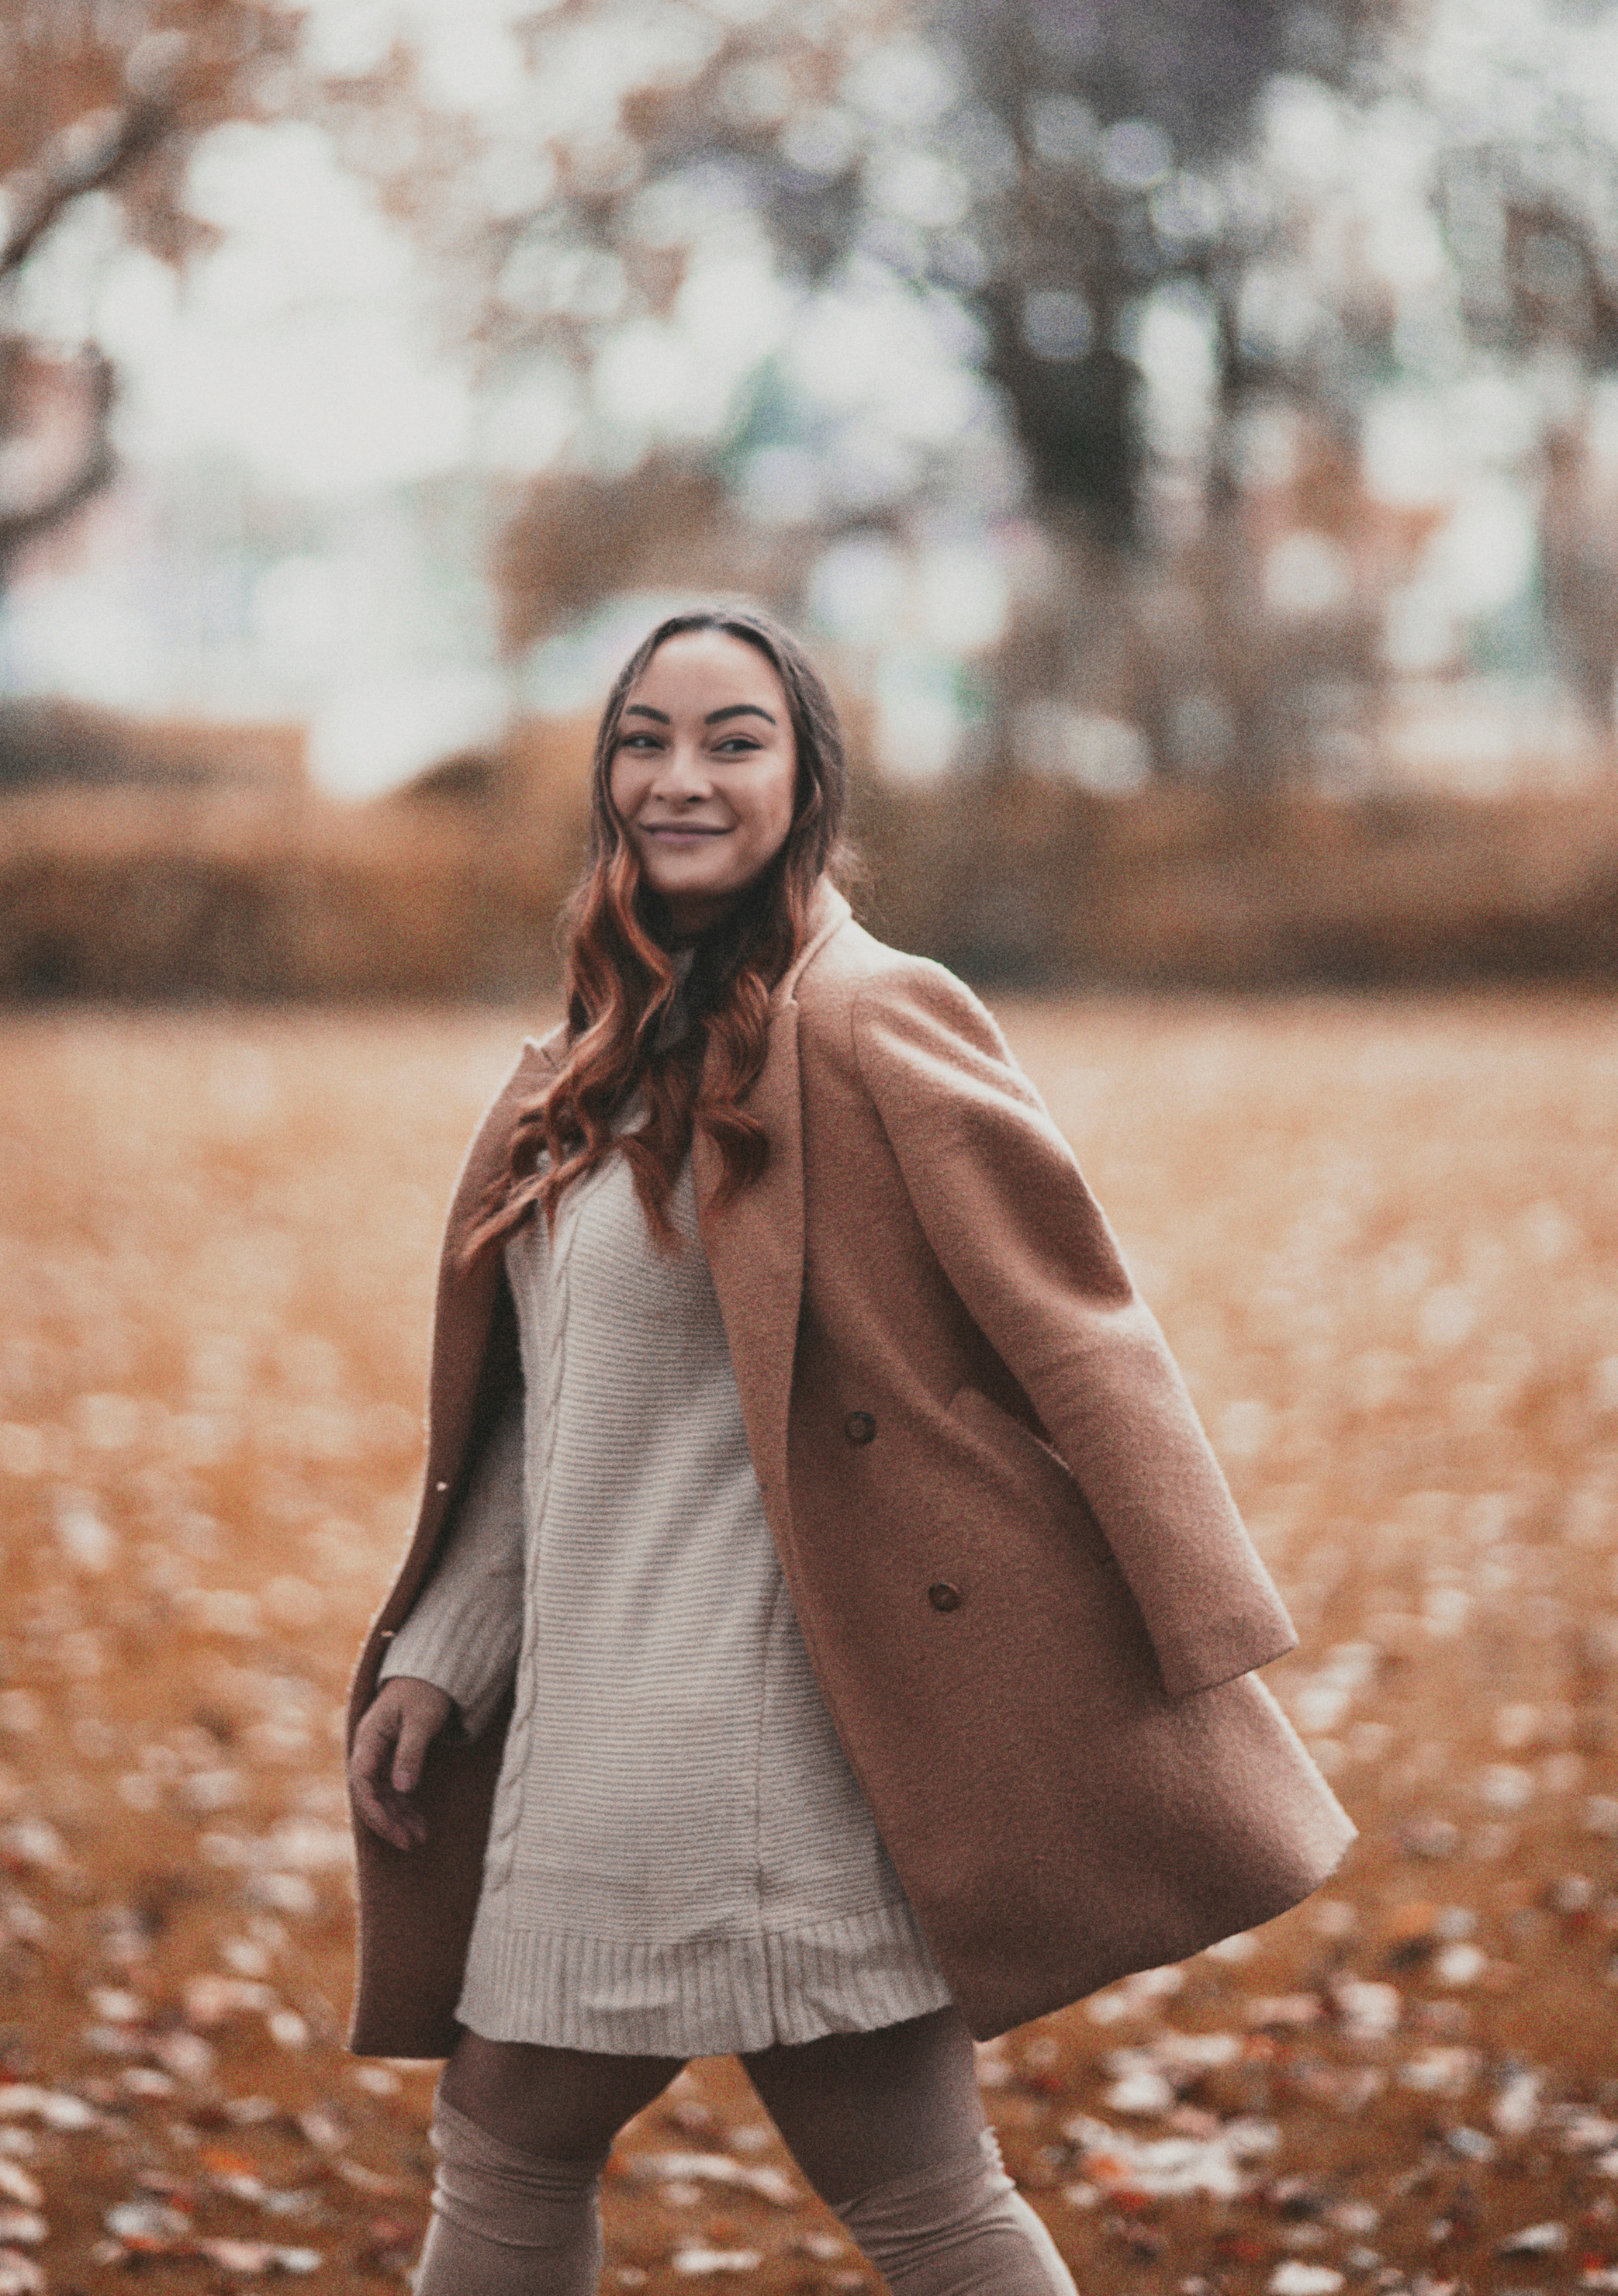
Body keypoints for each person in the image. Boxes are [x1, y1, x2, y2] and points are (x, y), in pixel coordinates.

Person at [344, 603, 1352, 2296]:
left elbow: (1075, 1320)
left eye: (732, 739)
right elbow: (557, 1411)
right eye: (643, 739)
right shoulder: (584, 1063)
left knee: (521, 2135)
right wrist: (445, 1652)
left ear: (806, 778)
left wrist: (1198, 1622)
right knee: (888, 2182)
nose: (679, 775)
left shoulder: (870, 1018)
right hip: (604, 1713)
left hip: (733, 1741)